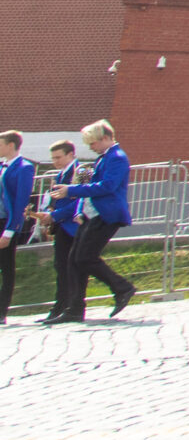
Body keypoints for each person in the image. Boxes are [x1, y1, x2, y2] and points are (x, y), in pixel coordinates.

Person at [48, 121, 139, 323]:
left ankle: (122, 288)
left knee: (84, 258)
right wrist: (80, 209)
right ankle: (74, 309)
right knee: (73, 261)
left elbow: (106, 186)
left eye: (93, 143)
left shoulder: (117, 157)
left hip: (107, 215)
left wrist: (70, 190)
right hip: (93, 215)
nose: (91, 147)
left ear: (106, 138)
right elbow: (91, 187)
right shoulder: (103, 158)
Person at [42, 139, 83, 324]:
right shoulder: (60, 174)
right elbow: (57, 200)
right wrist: (50, 213)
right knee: (60, 266)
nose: (55, 161)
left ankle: (70, 306)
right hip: (62, 225)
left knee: (73, 267)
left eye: (59, 157)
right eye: (53, 158)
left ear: (71, 154)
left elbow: (79, 200)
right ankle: (61, 306)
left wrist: (56, 214)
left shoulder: (80, 172)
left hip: (74, 225)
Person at [0, 131, 31, 324]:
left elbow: (20, 201)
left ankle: (2, 310)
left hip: (6, 222)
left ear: (10, 145)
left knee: (6, 267)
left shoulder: (24, 167)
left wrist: (10, 231)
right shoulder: (2, 166)